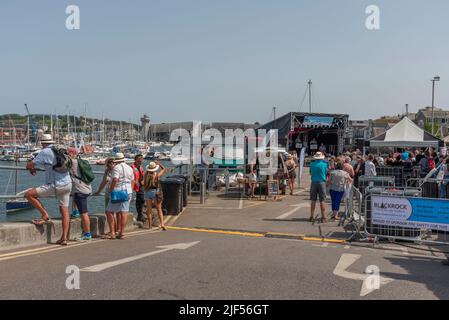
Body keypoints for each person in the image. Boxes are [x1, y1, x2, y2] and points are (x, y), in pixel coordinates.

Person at [24, 134, 72, 246]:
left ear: (42, 143)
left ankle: (45, 215)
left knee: (29, 195)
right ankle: (64, 238)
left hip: (54, 185)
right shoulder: (59, 150)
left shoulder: (45, 152)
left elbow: (29, 165)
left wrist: (31, 169)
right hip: (67, 184)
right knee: (64, 211)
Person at [105, 153, 134, 239]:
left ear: (117, 160)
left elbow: (115, 179)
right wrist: (130, 190)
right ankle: (121, 233)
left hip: (118, 191)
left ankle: (113, 232)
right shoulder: (129, 168)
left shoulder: (116, 168)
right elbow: (132, 180)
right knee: (124, 212)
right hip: (128, 191)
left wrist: (111, 189)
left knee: (108, 211)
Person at [68, 147, 92, 241]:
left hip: (80, 190)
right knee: (82, 211)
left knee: (84, 214)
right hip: (86, 188)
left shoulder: (73, 162)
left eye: (68, 152)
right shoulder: (81, 161)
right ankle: (75, 211)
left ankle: (87, 234)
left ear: (72, 153)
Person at [93, 157, 119, 237]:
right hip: (108, 193)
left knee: (115, 212)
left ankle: (116, 230)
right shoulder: (107, 171)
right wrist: (98, 191)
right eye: (109, 162)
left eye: (113, 162)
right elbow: (103, 182)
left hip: (116, 193)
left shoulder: (117, 170)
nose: (111, 164)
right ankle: (114, 230)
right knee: (109, 212)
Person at [143, 161, 167, 230]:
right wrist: (159, 164)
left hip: (147, 192)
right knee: (159, 209)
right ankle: (162, 223)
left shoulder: (146, 175)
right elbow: (163, 169)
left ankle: (150, 225)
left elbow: (143, 183)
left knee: (149, 210)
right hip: (155, 192)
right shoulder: (156, 175)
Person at [309, 152, 328, 223]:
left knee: (313, 200)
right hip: (322, 182)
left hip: (314, 182)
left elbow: (310, 173)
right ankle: (323, 217)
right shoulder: (324, 164)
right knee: (322, 200)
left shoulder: (312, 164)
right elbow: (326, 173)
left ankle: (311, 216)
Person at [131, 154, 146, 223]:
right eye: (139, 159)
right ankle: (139, 215)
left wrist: (143, 180)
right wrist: (134, 182)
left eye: (141, 159)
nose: (141, 160)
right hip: (134, 186)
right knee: (138, 200)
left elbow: (143, 175)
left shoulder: (140, 167)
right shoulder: (132, 167)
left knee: (141, 200)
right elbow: (130, 177)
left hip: (141, 186)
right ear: (136, 160)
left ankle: (140, 215)